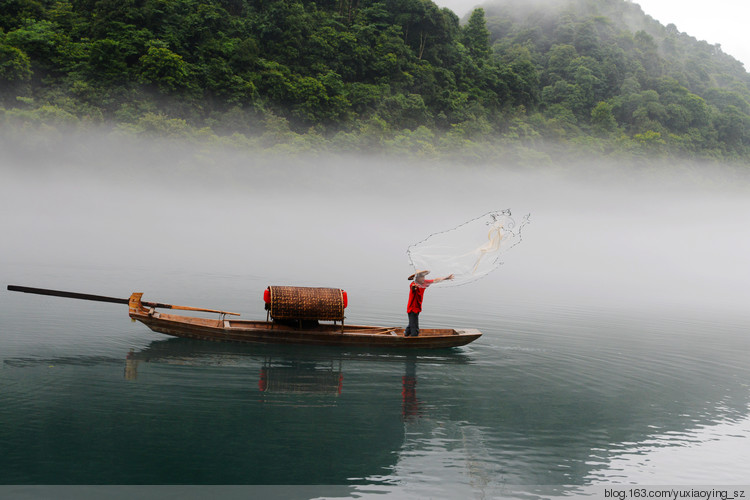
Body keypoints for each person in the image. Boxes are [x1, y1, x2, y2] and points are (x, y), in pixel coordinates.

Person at [405, 270, 454, 337]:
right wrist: (414, 287)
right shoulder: (413, 284)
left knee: (412, 323)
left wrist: (446, 278)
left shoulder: (424, 283)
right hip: (412, 309)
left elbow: (435, 280)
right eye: (421, 277)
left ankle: (406, 334)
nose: (423, 278)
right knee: (415, 328)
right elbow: (413, 288)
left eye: (424, 277)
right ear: (417, 278)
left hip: (418, 307)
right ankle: (414, 338)